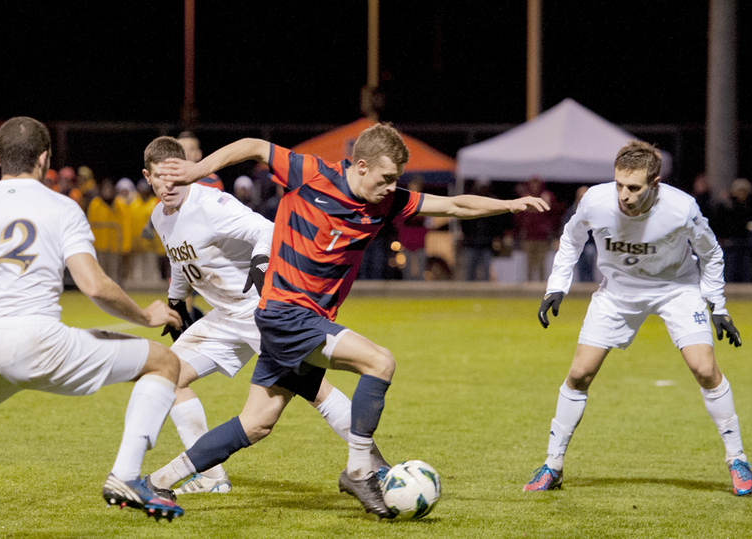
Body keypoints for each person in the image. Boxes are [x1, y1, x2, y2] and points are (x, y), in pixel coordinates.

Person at [145, 123, 549, 518]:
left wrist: (508, 205)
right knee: (379, 361)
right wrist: (196, 172)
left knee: (256, 422)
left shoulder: (387, 201)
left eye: (397, 179)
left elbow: (455, 205)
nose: (392, 187)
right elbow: (254, 145)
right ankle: (360, 470)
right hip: (287, 314)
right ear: (359, 166)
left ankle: (159, 480)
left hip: (292, 320)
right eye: (386, 177)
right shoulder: (313, 175)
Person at [0, 117, 185, 520]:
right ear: (44, 159)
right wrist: (146, 314)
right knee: (164, 361)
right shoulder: (61, 207)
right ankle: (127, 477)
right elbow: (93, 285)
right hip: (36, 341)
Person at [142, 136, 387, 495]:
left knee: (315, 391)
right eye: (160, 177)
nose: (169, 184)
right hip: (224, 316)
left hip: (260, 311)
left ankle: (375, 468)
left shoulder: (211, 204)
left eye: (175, 175)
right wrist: (176, 301)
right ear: (147, 177)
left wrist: (259, 262)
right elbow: (182, 259)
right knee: (167, 375)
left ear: (188, 171)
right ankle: (211, 476)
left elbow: (267, 230)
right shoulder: (159, 216)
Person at [524, 140, 752, 497]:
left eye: (634, 187)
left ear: (655, 183)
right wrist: (557, 286)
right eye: (619, 184)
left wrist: (718, 305)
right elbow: (570, 240)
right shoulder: (597, 201)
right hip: (617, 292)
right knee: (580, 373)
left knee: (705, 369)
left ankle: (737, 459)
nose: (624, 195)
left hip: (676, 289)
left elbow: (710, 254)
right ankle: (552, 465)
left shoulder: (682, 209)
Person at [514, 176, 560, 282]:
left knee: (541, 264)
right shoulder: (525, 197)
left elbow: (555, 216)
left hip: (543, 237)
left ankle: (542, 287)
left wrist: (549, 229)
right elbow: (518, 217)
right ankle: (529, 287)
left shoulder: (547, 197)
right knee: (529, 264)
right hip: (528, 236)